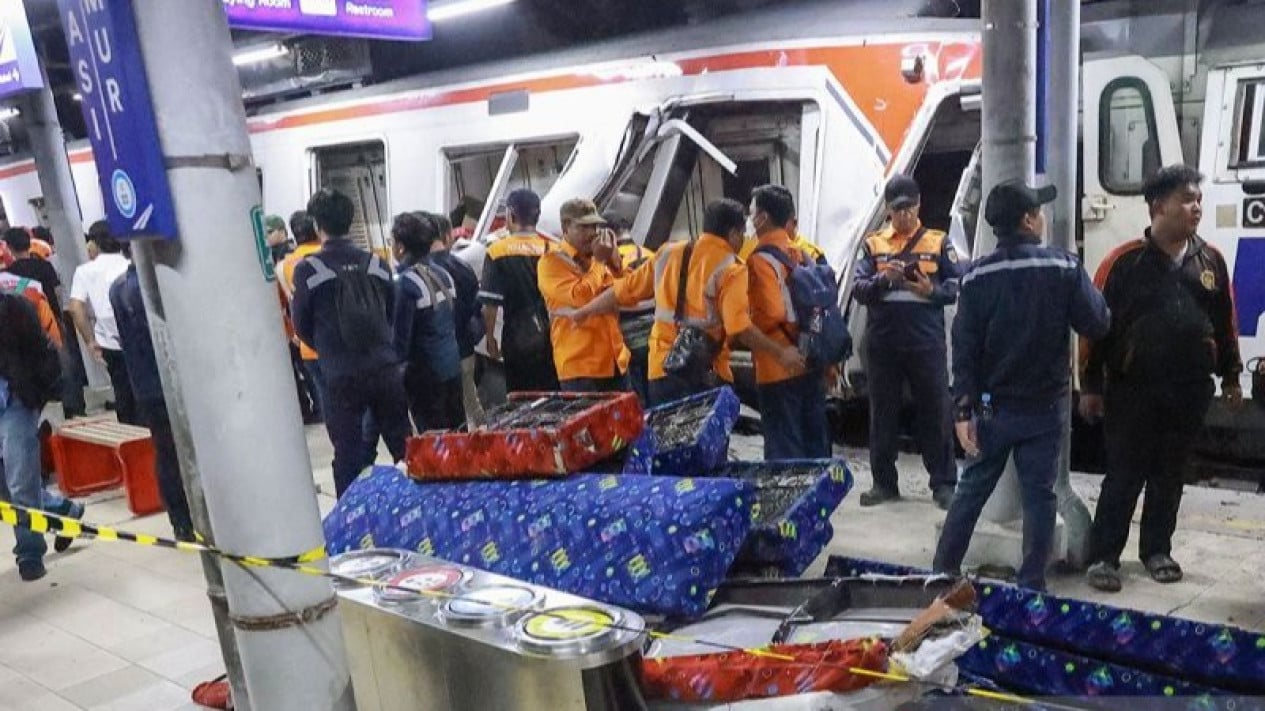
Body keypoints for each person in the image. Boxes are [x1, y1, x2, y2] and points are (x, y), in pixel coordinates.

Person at [932, 180, 1110, 592]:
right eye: (1039, 212)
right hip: (1046, 408)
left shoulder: (976, 276)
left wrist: (963, 412)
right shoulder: (1063, 268)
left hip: (992, 406)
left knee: (972, 488)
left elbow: (964, 347)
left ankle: (942, 573)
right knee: (1040, 495)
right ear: (1029, 220)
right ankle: (1032, 582)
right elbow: (1098, 322)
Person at [1082, 165, 1243, 593]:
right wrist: (1092, 387)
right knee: (1124, 474)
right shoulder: (1122, 263)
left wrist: (1230, 376)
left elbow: (1225, 320)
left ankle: (1157, 550)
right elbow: (1096, 330)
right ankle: (1104, 556)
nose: (1196, 208)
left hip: (1189, 390)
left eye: (1199, 200)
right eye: (1187, 200)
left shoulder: (1210, 261)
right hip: (1132, 391)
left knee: (1170, 474)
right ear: (1158, 207)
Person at [563, 199, 803, 406]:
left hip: (661, 370)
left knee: (669, 450)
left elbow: (622, 292)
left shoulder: (668, 253)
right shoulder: (732, 268)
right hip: (703, 374)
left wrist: (582, 312)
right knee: (706, 454)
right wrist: (781, 353)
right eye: (742, 234)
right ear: (733, 234)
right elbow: (739, 328)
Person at [291, 188, 412, 497]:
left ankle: (352, 520)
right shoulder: (376, 263)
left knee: (347, 452)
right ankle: (418, 510)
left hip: (340, 373)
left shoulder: (309, 269)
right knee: (404, 448)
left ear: (318, 225)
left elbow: (301, 324)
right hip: (385, 368)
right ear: (350, 221)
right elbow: (391, 309)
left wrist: (330, 351)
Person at [852, 175, 962, 509]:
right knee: (882, 414)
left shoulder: (938, 242)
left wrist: (933, 291)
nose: (904, 215)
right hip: (883, 344)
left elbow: (960, 283)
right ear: (887, 209)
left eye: (909, 208)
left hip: (925, 343)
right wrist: (884, 280)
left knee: (935, 411)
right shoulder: (873, 245)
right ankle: (884, 483)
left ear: (919, 205)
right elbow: (859, 289)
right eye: (897, 209)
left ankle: (943, 485)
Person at [109, 263, 195, 541]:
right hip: (171, 381)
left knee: (166, 452)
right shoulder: (150, 286)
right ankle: (193, 516)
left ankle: (180, 520)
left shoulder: (118, 287)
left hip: (145, 384)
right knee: (187, 451)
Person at [0, 292, 81, 581]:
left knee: (21, 482)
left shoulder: (13, 308)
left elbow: (40, 353)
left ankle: (30, 553)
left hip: (16, 403)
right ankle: (66, 510)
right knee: (6, 489)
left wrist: (36, 395)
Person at [746, 185, 829, 460]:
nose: (750, 218)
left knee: (785, 452)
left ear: (763, 218)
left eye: (752, 212)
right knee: (814, 443)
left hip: (778, 367)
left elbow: (770, 314)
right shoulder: (804, 254)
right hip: (811, 360)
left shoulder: (760, 259)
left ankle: (791, 504)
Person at [538, 199, 629, 392]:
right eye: (584, 227)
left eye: (595, 226)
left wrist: (616, 265)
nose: (592, 233)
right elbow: (581, 297)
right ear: (566, 227)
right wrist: (600, 262)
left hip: (616, 362)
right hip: (581, 369)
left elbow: (627, 294)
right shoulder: (551, 262)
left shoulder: (599, 257)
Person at [479, 189, 559, 393]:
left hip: (517, 339)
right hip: (553, 335)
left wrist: (490, 338)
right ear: (537, 216)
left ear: (510, 215)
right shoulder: (553, 249)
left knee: (521, 396)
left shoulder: (497, 251)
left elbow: (491, 305)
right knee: (553, 393)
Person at [391, 212, 465, 431]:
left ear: (401, 247)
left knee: (435, 441)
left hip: (424, 378)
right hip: (452, 367)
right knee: (459, 434)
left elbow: (400, 341)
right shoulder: (443, 274)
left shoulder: (405, 284)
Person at [69, 223, 137, 425]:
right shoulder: (130, 264)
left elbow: (75, 307)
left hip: (109, 341)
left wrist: (90, 341)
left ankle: (131, 438)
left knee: (123, 391)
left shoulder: (84, 271)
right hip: (139, 337)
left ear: (93, 243)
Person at [428, 212, 486, 427]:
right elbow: (476, 307)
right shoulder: (463, 267)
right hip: (464, 348)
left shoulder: (420, 273)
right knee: (471, 404)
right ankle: (483, 450)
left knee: (440, 415)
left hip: (434, 357)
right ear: (447, 236)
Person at [279, 210, 326, 420]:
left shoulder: (286, 264)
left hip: (308, 343)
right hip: (340, 344)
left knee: (326, 400)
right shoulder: (329, 254)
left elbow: (290, 301)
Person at [610, 214, 656, 404]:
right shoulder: (650, 254)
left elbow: (613, 297)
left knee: (636, 391)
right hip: (654, 330)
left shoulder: (611, 262)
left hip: (627, 335)